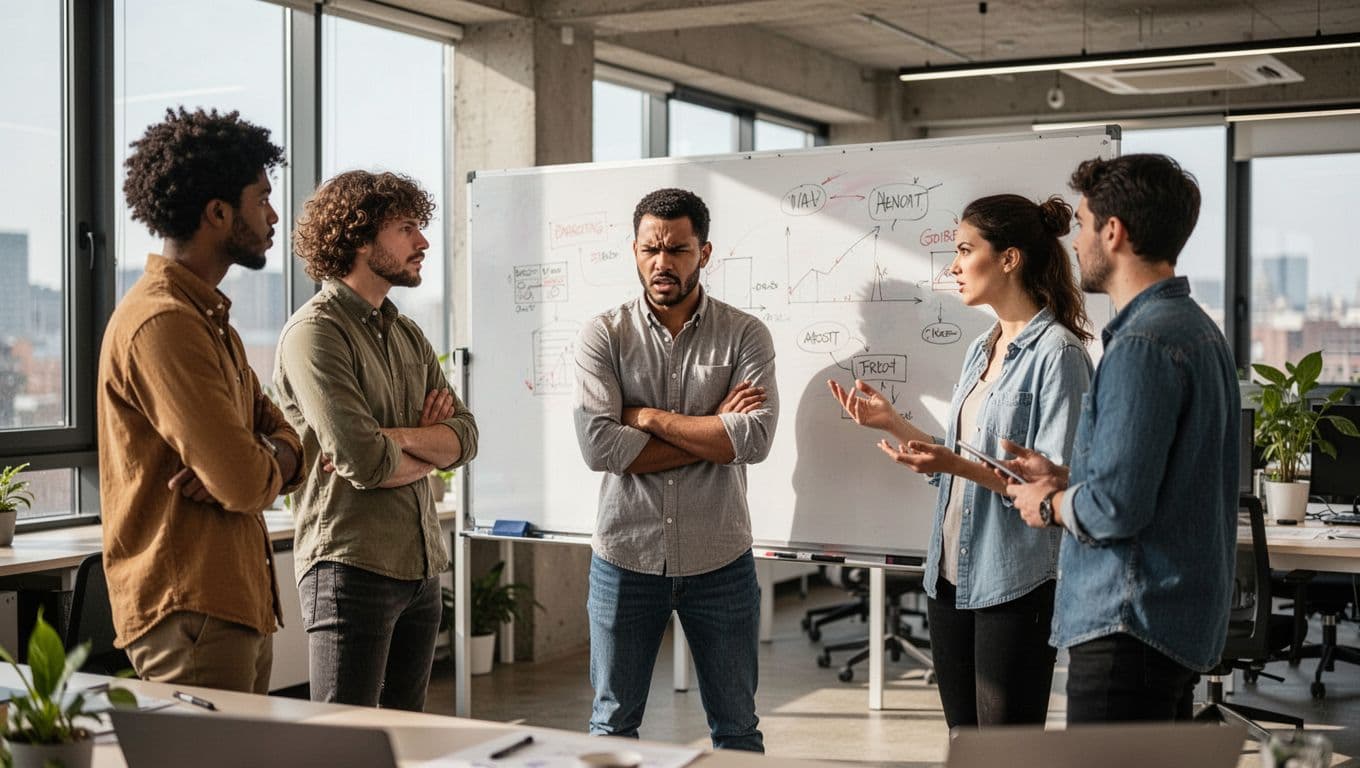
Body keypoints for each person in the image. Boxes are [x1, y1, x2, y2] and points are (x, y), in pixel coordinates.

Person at [828, 194, 1093, 727]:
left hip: (1015, 581)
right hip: (949, 577)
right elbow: (961, 461)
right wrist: (893, 423)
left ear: (1009, 259)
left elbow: (1051, 490)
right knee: (963, 743)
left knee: (1004, 755)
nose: (953, 265)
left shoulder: (1059, 355)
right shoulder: (982, 348)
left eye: (965, 249)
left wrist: (952, 465)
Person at [1001, 153, 1239, 724]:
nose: (1076, 242)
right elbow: (1164, 478)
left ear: (1114, 232)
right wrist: (1067, 477)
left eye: (1083, 225)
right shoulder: (1198, 331)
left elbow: (1115, 508)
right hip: (1173, 621)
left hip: (1127, 620)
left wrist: (1050, 502)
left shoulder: (1141, 345)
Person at [98, 107, 304, 692]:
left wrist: (271, 452)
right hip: (189, 610)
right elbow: (240, 481)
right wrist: (263, 458)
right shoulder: (164, 324)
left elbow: (290, 434)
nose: (273, 214)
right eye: (261, 198)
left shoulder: (212, 322)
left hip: (231, 602)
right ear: (218, 212)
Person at [573, 188, 779, 751]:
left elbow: (754, 438)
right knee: (612, 726)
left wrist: (648, 418)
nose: (662, 262)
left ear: (704, 253)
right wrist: (713, 429)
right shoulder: (604, 335)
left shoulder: (745, 334)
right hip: (625, 556)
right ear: (635, 251)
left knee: (737, 728)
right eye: (650, 249)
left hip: (721, 556)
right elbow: (599, 447)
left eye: (677, 250)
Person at [274, 170, 478, 711]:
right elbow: (363, 460)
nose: (423, 242)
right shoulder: (315, 333)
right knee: (343, 747)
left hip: (420, 569)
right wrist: (425, 448)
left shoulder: (406, 332)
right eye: (407, 228)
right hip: (350, 568)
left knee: (406, 737)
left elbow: (467, 436)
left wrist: (398, 440)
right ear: (360, 238)